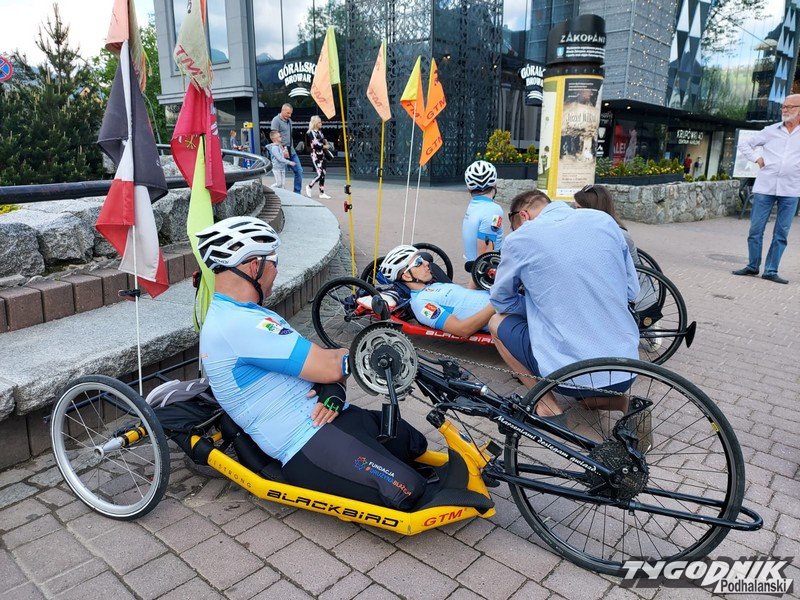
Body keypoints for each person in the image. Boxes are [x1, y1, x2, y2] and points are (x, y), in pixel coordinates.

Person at [196, 217, 427, 510]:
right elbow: (331, 365)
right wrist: (333, 375)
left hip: (328, 418)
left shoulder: (244, 314)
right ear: (254, 266)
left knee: (413, 442)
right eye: (274, 261)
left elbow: (323, 360)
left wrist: (333, 388)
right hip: (305, 443)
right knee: (408, 491)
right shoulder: (238, 324)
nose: (277, 270)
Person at [488, 190, 640, 423]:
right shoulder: (604, 220)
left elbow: (501, 301)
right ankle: (626, 403)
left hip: (567, 376)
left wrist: (539, 308)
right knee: (587, 396)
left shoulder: (520, 238)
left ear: (524, 216)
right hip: (626, 369)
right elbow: (631, 291)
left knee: (495, 322)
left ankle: (547, 407)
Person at [733, 94, 800, 284]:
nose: (784, 110)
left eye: (789, 106)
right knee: (755, 230)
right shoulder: (771, 131)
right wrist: (757, 158)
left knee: (781, 233)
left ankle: (771, 270)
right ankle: (753, 266)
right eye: (783, 106)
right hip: (765, 187)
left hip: (791, 190)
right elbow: (745, 144)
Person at [379, 245, 495, 338]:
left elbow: (465, 299)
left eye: (422, 259)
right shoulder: (421, 304)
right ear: (407, 276)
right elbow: (462, 330)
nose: (426, 263)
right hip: (500, 312)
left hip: (499, 298)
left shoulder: (434, 285)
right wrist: (496, 303)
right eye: (418, 262)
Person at [462, 160, 504, 288]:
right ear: (494, 184)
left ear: (469, 188)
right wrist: (470, 291)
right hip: (488, 274)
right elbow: (485, 256)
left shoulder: (474, 205)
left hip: (473, 264)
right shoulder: (493, 210)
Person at [270, 103, 303, 194]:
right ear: (282, 110)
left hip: (291, 150)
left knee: (299, 171)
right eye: (288, 113)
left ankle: (297, 193)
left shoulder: (289, 121)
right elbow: (274, 137)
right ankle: (276, 192)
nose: (290, 115)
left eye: (291, 113)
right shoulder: (276, 120)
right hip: (281, 151)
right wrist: (282, 149)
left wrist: (290, 148)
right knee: (280, 178)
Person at [305, 115, 332, 199]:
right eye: (319, 122)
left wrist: (325, 143)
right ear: (315, 123)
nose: (321, 123)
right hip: (315, 155)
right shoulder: (310, 133)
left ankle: (322, 192)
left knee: (323, 174)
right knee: (320, 174)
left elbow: (323, 141)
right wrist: (324, 146)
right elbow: (315, 144)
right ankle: (309, 186)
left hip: (322, 155)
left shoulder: (320, 132)